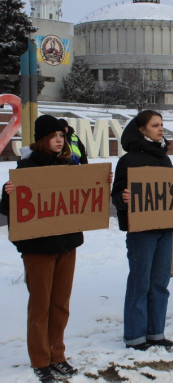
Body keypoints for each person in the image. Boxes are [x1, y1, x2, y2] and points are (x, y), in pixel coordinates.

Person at [0, 115, 83, 383]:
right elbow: (8, 211)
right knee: (40, 305)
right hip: (38, 248)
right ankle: (40, 359)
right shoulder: (25, 168)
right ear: (42, 139)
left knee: (61, 304)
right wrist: (7, 193)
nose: (60, 140)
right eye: (55, 136)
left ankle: (58, 354)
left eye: (62, 136)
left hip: (67, 244)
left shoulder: (70, 165)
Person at [111, 110, 173, 351]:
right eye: (155, 125)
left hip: (165, 229)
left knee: (160, 283)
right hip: (141, 232)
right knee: (140, 283)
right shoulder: (128, 160)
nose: (160, 129)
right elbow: (116, 193)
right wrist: (124, 197)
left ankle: (156, 333)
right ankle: (135, 336)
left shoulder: (164, 158)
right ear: (141, 129)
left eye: (161, 125)